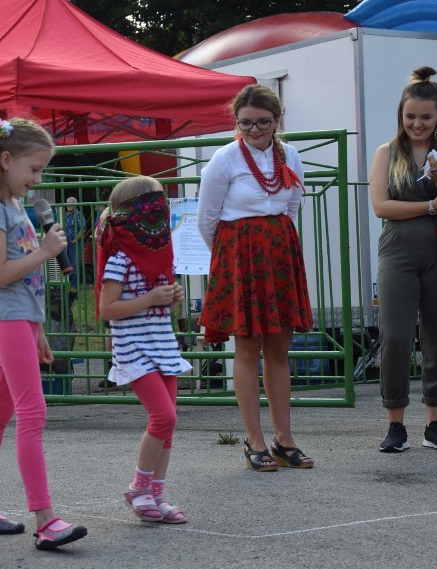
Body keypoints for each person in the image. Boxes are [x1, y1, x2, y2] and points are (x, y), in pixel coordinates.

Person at [0, 117, 87, 550]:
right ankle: (46, 519)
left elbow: (23, 283)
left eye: (42, 170)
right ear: (6, 159)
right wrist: (47, 252)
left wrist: (37, 331)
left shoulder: (14, 206)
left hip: (21, 321)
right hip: (6, 318)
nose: (38, 179)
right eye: (34, 169)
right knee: (33, 414)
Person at [196, 84, 315, 472]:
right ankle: (254, 441)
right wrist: (233, 259)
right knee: (247, 349)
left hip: (279, 250)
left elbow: (292, 204)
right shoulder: (224, 159)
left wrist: (273, 241)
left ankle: (285, 439)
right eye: (245, 123)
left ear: (277, 120)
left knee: (279, 350)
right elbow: (207, 220)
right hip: (240, 255)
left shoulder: (291, 155)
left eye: (263, 122)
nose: (254, 130)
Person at [369, 66, 437, 453]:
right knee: (394, 335)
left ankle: (434, 424)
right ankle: (395, 424)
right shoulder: (385, 153)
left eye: (425, 117)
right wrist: (430, 204)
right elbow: (381, 206)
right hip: (396, 251)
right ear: (401, 114)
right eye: (410, 116)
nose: (417, 123)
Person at [95, 175, 191, 523]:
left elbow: (161, 307)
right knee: (163, 417)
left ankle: (156, 495)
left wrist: (172, 298)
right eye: (154, 202)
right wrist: (150, 298)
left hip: (162, 345)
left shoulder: (159, 255)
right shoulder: (120, 258)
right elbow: (107, 309)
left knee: (168, 424)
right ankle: (139, 488)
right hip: (134, 348)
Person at [63, 196, 87, 297]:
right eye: (67, 202)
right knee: (65, 263)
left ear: (75, 204)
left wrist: (75, 240)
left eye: (71, 202)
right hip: (64, 243)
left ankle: (74, 286)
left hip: (74, 244)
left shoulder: (78, 215)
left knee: (74, 264)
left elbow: (83, 229)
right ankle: (65, 284)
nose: (69, 205)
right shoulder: (64, 215)